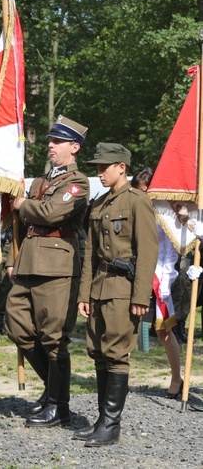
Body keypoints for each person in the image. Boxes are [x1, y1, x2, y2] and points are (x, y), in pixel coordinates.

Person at [5, 115, 90, 427]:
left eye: (57, 142)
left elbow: (52, 213)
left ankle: (59, 403)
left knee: (53, 337)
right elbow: (26, 220)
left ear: (74, 147)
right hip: (28, 263)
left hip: (57, 268)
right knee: (17, 326)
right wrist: (11, 259)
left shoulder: (77, 183)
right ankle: (54, 390)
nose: (50, 146)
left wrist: (22, 205)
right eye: (50, 141)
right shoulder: (40, 182)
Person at [74, 143, 157, 447]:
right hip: (99, 287)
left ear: (121, 167)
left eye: (104, 167)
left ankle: (112, 424)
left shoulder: (137, 201)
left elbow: (148, 252)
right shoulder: (99, 204)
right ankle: (101, 419)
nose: (100, 172)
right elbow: (89, 255)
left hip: (124, 289)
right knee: (97, 351)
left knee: (117, 353)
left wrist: (140, 297)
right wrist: (84, 293)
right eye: (97, 167)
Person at [130, 167, 183, 399]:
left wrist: (166, 278)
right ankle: (118, 378)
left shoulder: (165, 213)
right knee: (127, 326)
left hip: (158, 273)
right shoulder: (132, 208)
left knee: (163, 330)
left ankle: (176, 377)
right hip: (133, 271)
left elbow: (171, 249)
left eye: (146, 192)